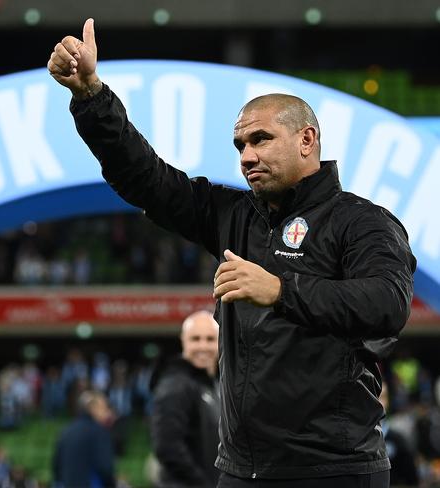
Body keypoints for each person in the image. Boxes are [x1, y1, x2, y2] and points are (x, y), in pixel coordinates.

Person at [47, 19, 416, 488]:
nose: (245, 155)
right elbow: (148, 180)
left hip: (335, 471)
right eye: (240, 144)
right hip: (241, 471)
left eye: (260, 139)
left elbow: (387, 304)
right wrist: (90, 97)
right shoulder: (234, 215)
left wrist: (281, 289)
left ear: (307, 140)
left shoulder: (363, 222)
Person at [150, 310, 220, 487]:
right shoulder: (175, 385)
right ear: (183, 341)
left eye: (210, 339)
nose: (203, 346)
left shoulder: (215, 385)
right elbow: (167, 447)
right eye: (195, 339)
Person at [52, 390, 116, 488]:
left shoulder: (66, 431)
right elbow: (105, 468)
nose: (108, 413)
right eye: (104, 408)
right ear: (93, 409)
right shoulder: (99, 431)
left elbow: (56, 467)